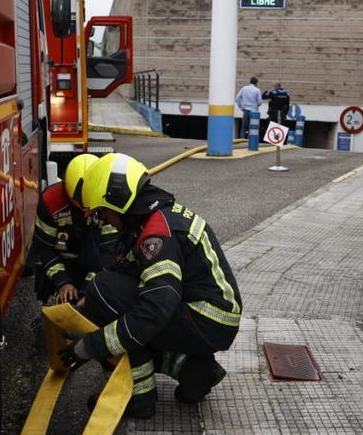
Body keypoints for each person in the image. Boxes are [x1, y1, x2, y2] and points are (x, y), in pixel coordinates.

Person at [59, 153, 242, 419]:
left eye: (101, 212)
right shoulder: (159, 217)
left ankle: (138, 395)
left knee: (107, 293)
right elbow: (135, 278)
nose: (104, 221)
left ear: (117, 201)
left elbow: (154, 309)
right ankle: (192, 370)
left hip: (206, 319)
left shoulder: (157, 233)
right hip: (211, 318)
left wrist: (90, 346)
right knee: (117, 302)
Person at [29, 154, 121, 305]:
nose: (86, 212)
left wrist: (88, 290)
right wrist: (62, 282)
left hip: (95, 261)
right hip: (62, 261)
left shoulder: (109, 203)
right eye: (80, 204)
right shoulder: (51, 201)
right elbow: (44, 248)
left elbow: (109, 251)